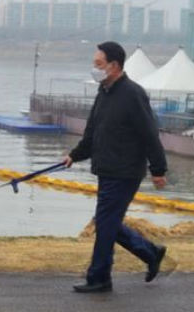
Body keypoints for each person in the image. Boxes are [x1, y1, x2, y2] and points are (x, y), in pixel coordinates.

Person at [64, 41, 168, 293]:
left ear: (114, 66)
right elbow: (93, 132)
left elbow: (149, 133)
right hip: (106, 169)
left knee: (106, 223)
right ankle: (151, 252)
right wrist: (74, 155)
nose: (94, 69)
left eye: (98, 64)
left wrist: (158, 169)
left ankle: (99, 278)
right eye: (94, 64)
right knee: (106, 222)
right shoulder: (104, 92)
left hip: (125, 171)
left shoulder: (133, 94)